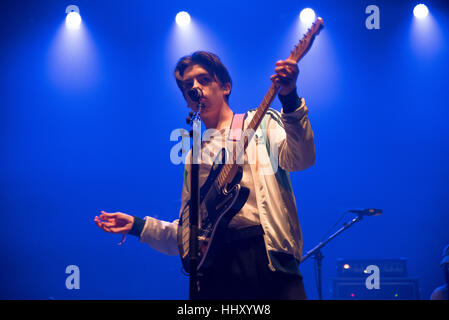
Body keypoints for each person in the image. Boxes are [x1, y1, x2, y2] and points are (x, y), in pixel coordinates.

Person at [94, 51, 316, 300]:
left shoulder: (261, 123)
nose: (195, 87)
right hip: (217, 268)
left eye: (203, 79)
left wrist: (289, 98)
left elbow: (302, 159)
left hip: (268, 259)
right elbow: (192, 232)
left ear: (225, 87)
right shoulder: (194, 158)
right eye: (188, 85)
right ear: (188, 102)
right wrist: (139, 226)